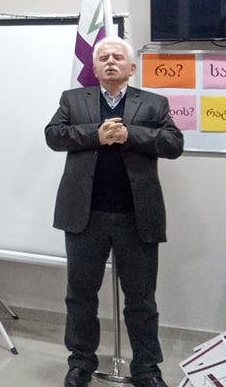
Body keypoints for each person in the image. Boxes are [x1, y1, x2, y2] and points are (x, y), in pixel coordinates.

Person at [45, 36, 184, 387]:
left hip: (137, 217)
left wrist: (128, 135)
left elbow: (173, 144)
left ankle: (147, 369)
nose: (110, 61)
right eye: (103, 57)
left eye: (118, 57)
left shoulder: (153, 103)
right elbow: (54, 136)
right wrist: (97, 135)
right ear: (94, 68)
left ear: (131, 67)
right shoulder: (73, 99)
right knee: (80, 296)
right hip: (85, 216)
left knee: (141, 300)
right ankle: (81, 363)